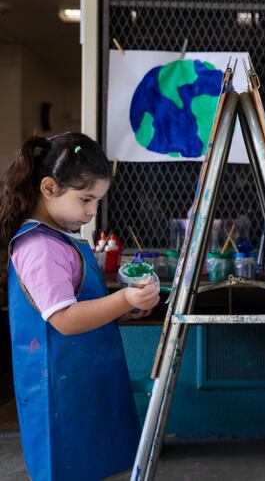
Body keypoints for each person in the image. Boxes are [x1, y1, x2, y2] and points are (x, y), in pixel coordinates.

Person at [0, 133, 161, 480]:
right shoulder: (39, 248)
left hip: (87, 384)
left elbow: (86, 305)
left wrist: (128, 308)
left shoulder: (63, 239)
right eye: (85, 199)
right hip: (60, 394)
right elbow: (65, 320)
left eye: (97, 201)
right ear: (48, 188)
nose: (91, 212)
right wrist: (123, 298)